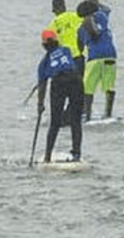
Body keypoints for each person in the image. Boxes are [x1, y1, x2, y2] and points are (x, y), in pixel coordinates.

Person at [36, 29, 83, 162]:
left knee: (55, 122)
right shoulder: (66, 50)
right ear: (57, 41)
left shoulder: (44, 63)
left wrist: (40, 105)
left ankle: (47, 156)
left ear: (44, 45)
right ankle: (77, 154)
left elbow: (42, 85)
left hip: (59, 82)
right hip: (76, 80)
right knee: (75, 120)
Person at [77, 0, 118, 121]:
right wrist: (95, 2)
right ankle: (108, 114)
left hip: (94, 57)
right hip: (110, 55)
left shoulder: (81, 29)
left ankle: (87, 115)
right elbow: (107, 9)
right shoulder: (102, 16)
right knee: (109, 86)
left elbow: (79, 48)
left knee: (88, 88)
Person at [49, 0, 84, 71]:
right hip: (79, 55)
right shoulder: (76, 16)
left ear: (54, 9)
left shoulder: (53, 24)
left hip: (65, 58)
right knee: (80, 81)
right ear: (64, 7)